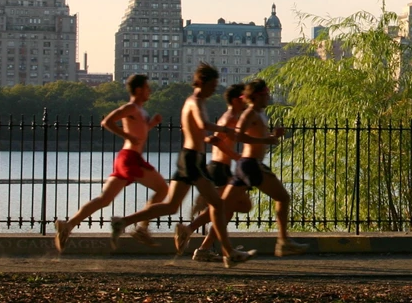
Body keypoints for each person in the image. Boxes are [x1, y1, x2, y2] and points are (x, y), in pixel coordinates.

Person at [110, 63, 253, 268]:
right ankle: (228, 252)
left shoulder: (194, 101)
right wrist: (225, 130)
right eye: (212, 84)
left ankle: (123, 221)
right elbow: (203, 125)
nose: (215, 89)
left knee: (171, 206)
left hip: (188, 157)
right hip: (193, 158)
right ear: (202, 82)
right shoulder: (195, 102)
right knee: (219, 204)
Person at [54, 73, 167, 253]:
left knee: (104, 200)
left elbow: (140, 132)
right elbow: (107, 121)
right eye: (147, 88)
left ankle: (68, 225)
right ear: (138, 90)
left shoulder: (140, 110)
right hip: (130, 158)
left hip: (127, 158)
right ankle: (142, 228)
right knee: (163, 189)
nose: (150, 91)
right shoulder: (130, 107)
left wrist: (151, 124)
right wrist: (126, 135)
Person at [221, 78, 308, 257]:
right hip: (251, 165)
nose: (268, 97)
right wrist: (264, 139)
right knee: (283, 197)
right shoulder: (250, 113)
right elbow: (238, 136)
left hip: (247, 165)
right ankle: (283, 242)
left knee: (222, 206)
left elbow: (260, 137)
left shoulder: (259, 114)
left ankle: (199, 240)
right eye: (266, 94)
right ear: (257, 96)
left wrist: (272, 136)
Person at [174, 82, 253, 259]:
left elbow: (213, 139)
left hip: (222, 168)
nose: (246, 102)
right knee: (234, 206)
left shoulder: (232, 118)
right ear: (235, 100)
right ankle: (191, 232)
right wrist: (235, 155)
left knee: (229, 209)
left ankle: (203, 248)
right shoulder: (230, 118)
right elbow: (215, 140)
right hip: (219, 169)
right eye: (243, 99)